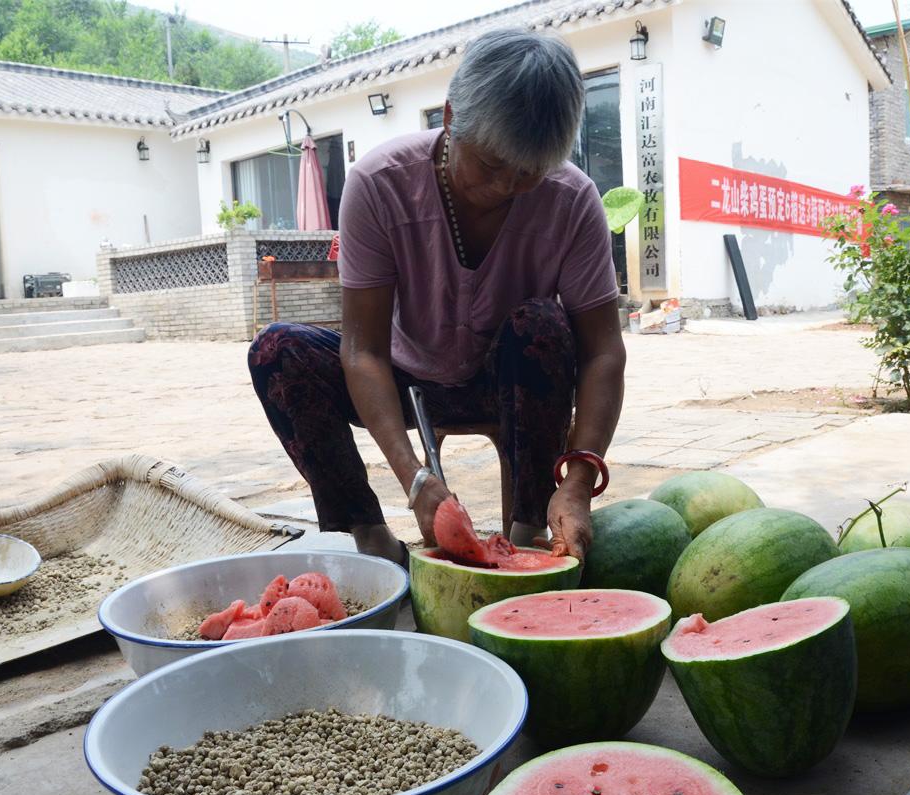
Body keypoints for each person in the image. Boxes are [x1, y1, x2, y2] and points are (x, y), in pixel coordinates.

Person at [248, 27, 626, 565]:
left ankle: (527, 531)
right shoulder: (378, 184)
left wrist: (580, 480)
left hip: (512, 381)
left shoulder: (573, 200)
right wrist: (416, 477)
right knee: (277, 350)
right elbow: (364, 352)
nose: (507, 187)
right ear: (450, 119)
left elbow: (604, 353)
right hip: (405, 377)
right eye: (492, 166)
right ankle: (369, 535)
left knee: (544, 324)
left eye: (530, 175)